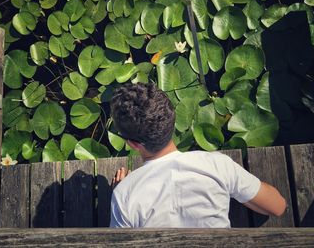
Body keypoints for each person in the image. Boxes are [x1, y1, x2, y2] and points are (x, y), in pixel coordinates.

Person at [109, 82, 286, 228]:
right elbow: (277, 207)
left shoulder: (125, 194)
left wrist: (124, 189)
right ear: (172, 121)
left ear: (132, 143)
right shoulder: (218, 165)